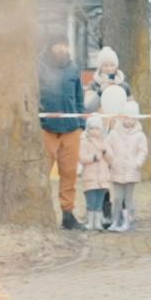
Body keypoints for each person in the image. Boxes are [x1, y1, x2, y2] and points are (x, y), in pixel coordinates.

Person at [38, 41, 86, 230]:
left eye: (64, 45)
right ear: (50, 47)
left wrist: (81, 123)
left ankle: (68, 214)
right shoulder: (40, 66)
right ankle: (42, 212)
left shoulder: (73, 68)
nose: (61, 49)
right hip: (47, 128)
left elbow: (79, 96)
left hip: (71, 128)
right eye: (57, 45)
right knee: (42, 172)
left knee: (69, 174)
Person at [104, 102, 149, 232]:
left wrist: (137, 163)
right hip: (116, 169)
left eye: (134, 118)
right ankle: (115, 221)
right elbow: (107, 147)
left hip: (131, 171)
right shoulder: (113, 133)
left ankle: (128, 221)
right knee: (117, 197)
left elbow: (143, 151)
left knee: (128, 198)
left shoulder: (140, 135)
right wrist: (111, 160)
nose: (131, 121)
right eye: (128, 117)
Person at [77, 116, 111, 231]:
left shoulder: (105, 142)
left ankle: (97, 222)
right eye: (92, 128)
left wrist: (105, 152)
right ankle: (90, 222)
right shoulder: (84, 142)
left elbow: (111, 158)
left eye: (97, 128)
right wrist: (93, 158)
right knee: (91, 202)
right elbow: (81, 157)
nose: (94, 131)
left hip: (103, 178)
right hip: (90, 177)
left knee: (99, 202)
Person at [85, 46, 129, 113]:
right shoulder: (93, 85)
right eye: (105, 65)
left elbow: (131, 108)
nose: (109, 69)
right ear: (100, 67)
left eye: (112, 65)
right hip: (99, 121)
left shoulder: (124, 85)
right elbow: (89, 108)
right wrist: (100, 91)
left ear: (116, 66)